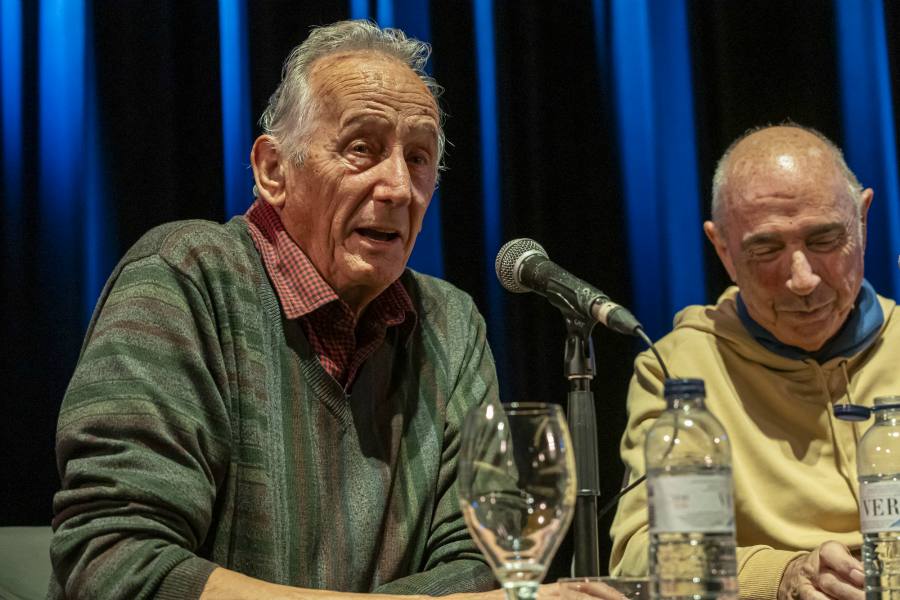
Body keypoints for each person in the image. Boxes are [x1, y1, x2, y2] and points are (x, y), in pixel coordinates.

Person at [47, 20, 501, 600]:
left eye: (418, 158)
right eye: (362, 148)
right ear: (273, 170)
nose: (397, 187)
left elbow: (487, 558)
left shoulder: (452, 326)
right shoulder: (183, 280)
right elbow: (116, 561)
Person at [609, 124, 900, 600]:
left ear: (863, 221)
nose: (803, 280)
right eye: (766, 250)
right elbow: (642, 554)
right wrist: (779, 577)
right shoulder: (682, 368)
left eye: (824, 239)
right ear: (723, 249)